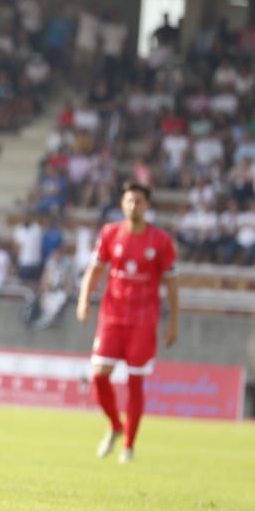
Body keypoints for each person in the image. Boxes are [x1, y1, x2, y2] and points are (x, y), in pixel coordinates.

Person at [75, 181, 179, 463]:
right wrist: (84, 301)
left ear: (147, 206)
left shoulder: (160, 241)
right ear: (122, 204)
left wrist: (173, 323)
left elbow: (171, 285)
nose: (134, 206)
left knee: (135, 383)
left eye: (139, 201)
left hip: (143, 321)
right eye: (129, 201)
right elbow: (94, 270)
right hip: (112, 317)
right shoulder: (110, 233)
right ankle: (115, 425)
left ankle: (129, 446)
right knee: (99, 375)